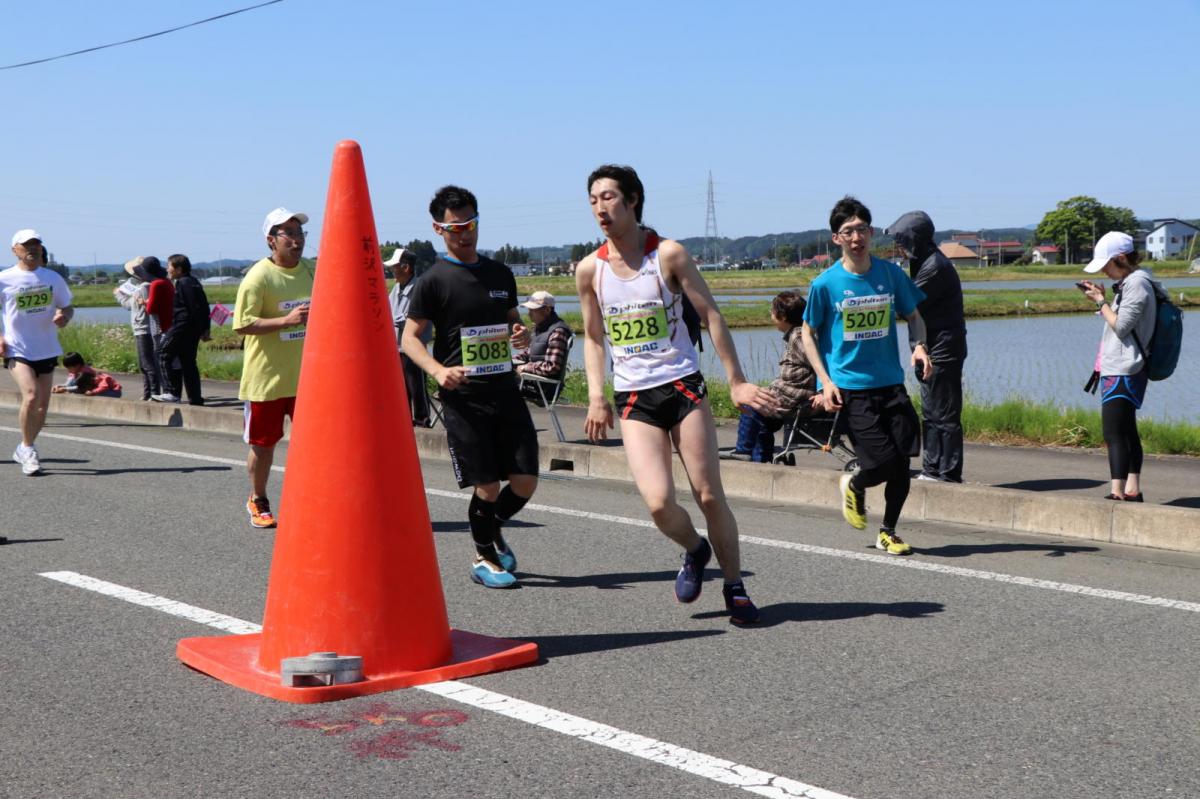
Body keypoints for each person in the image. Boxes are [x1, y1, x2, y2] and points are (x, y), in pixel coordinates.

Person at [576, 164, 778, 625]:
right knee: (659, 503)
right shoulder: (590, 270)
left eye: (608, 197)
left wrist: (738, 381)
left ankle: (735, 586)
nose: (599, 208)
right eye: (592, 200)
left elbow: (711, 316)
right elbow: (592, 337)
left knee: (708, 495)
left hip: (682, 386)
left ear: (632, 201)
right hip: (634, 397)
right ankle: (695, 549)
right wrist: (595, 395)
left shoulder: (668, 256)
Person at [402, 186, 537, 589]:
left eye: (471, 224)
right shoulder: (433, 280)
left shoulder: (500, 273)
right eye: (456, 227)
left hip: (505, 389)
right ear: (439, 229)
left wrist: (521, 337)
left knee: (526, 480)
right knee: (488, 485)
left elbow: (515, 322)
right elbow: (409, 339)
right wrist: (437, 370)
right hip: (463, 398)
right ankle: (482, 557)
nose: (466, 233)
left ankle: (490, 527)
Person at [802, 197, 932, 556]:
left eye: (862, 229)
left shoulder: (889, 274)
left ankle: (888, 532)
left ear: (871, 233)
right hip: (850, 389)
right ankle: (856, 483)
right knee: (881, 462)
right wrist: (824, 382)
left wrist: (919, 346)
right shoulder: (825, 284)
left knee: (902, 464)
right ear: (836, 239)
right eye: (848, 231)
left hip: (890, 383)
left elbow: (915, 315)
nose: (856, 237)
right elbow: (808, 333)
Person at [233, 208, 314, 529]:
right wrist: (286, 320)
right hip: (266, 379)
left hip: (307, 380)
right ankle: (258, 498)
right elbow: (242, 325)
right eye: (289, 234)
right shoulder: (258, 277)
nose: (297, 241)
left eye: (300, 234)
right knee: (264, 446)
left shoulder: (311, 271)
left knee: (313, 446)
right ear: (271, 240)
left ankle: (310, 500)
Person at [885, 211, 967, 483]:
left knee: (944, 413)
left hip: (943, 348)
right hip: (929, 347)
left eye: (902, 240)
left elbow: (906, 303)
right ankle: (933, 469)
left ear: (915, 239)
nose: (899, 247)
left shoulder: (935, 266)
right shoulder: (922, 261)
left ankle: (947, 473)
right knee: (932, 411)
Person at [1076, 231, 1155, 502]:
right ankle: (1132, 489)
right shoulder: (1131, 282)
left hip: (1124, 368)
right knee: (1127, 430)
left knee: (1113, 432)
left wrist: (1101, 301)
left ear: (1121, 258)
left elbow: (1121, 326)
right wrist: (1102, 299)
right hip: (1125, 366)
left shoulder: (1137, 284)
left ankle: (1117, 492)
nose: (1106, 271)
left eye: (1107, 265)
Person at [0, 229, 74, 475]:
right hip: (17, 347)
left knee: (42, 406)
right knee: (30, 396)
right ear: (15, 250)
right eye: (26, 245)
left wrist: (64, 316)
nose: (32, 249)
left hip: (46, 347)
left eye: (36, 245)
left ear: (41, 248)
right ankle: (29, 449)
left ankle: (24, 446)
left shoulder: (52, 278)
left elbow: (67, 306)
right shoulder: (5, 279)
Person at [726, 290, 822, 463]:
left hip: (794, 396)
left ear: (782, 316)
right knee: (761, 419)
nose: (770, 315)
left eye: (772, 312)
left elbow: (817, 361)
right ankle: (760, 460)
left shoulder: (798, 336)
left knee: (752, 405)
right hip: (790, 395)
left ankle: (743, 450)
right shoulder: (797, 334)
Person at [156, 254, 211, 405]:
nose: (167, 269)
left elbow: (193, 307)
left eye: (169, 266)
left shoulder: (182, 282)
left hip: (182, 326)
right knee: (188, 363)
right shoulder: (194, 281)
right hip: (192, 328)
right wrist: (205, 328)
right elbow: (204, 306)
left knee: (162, 353)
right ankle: (195, 399)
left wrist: (199, 328)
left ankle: (170, 391)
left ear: (179, 269)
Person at [386, 247, 432, 427]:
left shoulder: (420, 287)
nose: (391, 271)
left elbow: (411, 316)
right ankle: (405, 418)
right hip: (398, 345)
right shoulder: (396, 288)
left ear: (406, 268)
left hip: (415, 346)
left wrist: (391, 320)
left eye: (394, 267)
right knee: (401, 385)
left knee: (416, 383)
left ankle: (422, 419)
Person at [116, 257, 165, 400]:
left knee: (147, 364)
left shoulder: (144, 287)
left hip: (143, 329)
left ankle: (153, 394)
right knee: (146, 364)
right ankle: (148, 394)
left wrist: (119, 295)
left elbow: (132, 306)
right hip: (146, 328)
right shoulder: (149, 285)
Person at [513, 290, 571, 404]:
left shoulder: (558, 332)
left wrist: (524, 368)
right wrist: (508, 362)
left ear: (547, 310)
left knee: (499, 382)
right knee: (499, 374)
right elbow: (528, 353)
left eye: (533, 310)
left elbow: (551, 366)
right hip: (534, 382)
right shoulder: (539, 329)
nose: (529, 314)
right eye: (529, 310)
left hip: (544, 389)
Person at [138, 257, 177, 402]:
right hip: (170, 323)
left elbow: (151, 308)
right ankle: (173, 391)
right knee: (173, 360)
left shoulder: (156, 284)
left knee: (160, 356)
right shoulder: (167, 282)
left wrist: (143, 302)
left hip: (159, 325)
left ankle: (167, 391)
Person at [53, 352, 123, 397]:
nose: (68, 370)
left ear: (76, 365)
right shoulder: (75, 371)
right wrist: (60, 386)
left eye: (69, 368)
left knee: (90, 393)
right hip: (90, 386)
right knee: (76, 386)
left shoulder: (89, 374)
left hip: (113, 391)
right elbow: (69, 383)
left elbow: (103, 387)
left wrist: (92, 392)